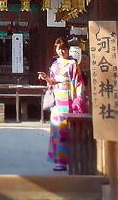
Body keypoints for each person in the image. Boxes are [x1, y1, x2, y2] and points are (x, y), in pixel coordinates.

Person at [38, 37, 88, 171]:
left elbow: (78, 83)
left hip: (68, 99)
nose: (61, 52)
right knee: (57, 130)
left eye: (63, 49)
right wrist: (46, 78)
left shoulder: (72, 64)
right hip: (57, 100)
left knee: (66, 131)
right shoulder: (55, 65)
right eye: (58, 49)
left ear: (67, 49)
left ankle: (68, 160)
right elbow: (53, 81)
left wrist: (78, 99)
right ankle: (59, 159)